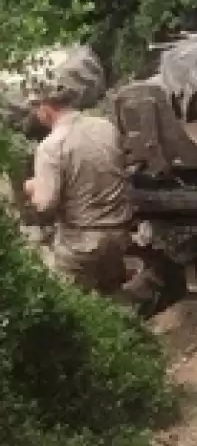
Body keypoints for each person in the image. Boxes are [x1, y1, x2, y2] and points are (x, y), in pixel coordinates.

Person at [23, 79, 132, 295]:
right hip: (118, 235)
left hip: (81, 244)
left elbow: (45, 205)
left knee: (68, 302)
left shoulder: (51, 146)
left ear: (45, 109)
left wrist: (33, 188)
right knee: (111, 298)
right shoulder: (106, 127)